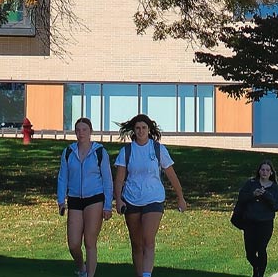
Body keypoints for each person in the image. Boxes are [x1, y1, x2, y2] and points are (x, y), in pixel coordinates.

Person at [113, 114, 187, 277]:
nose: (141, 131)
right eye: (138, 128)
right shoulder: (127, 151)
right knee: (137, 243)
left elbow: (171, 175)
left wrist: (180, 197)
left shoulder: (158, 149)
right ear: (133, 130)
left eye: (144, 128)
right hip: (131, 199)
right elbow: (119, 179)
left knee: (148, 240)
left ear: (149, 130)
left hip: (153, 198)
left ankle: (147, 274)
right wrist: (118, 200)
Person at [57, 117, 113, 277]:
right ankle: (81, 267)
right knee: (73, 244)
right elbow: (63, 177)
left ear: (90, 132)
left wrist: (108, 205)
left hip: (94, 198)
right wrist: (61, 200)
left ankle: (90, 274)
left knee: (90, 242)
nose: (81, 133)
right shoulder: (68, 152)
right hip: (74, 199)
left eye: (84, 130)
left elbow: (108, 179)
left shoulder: (100, 152)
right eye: (78, 130)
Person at [233, 160, 278, 277]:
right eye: (262, 169)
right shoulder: (251, 183)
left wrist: (266, 195)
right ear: (259, 171)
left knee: (261, 248)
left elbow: (277, 204)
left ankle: (259, 274)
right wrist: (253, 194)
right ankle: (256, 266)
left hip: (265, 223)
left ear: (271, 173)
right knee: (250, 253)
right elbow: (241, 198)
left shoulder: (274, 187)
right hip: (250, 223)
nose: (264, 172)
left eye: (267, 170)